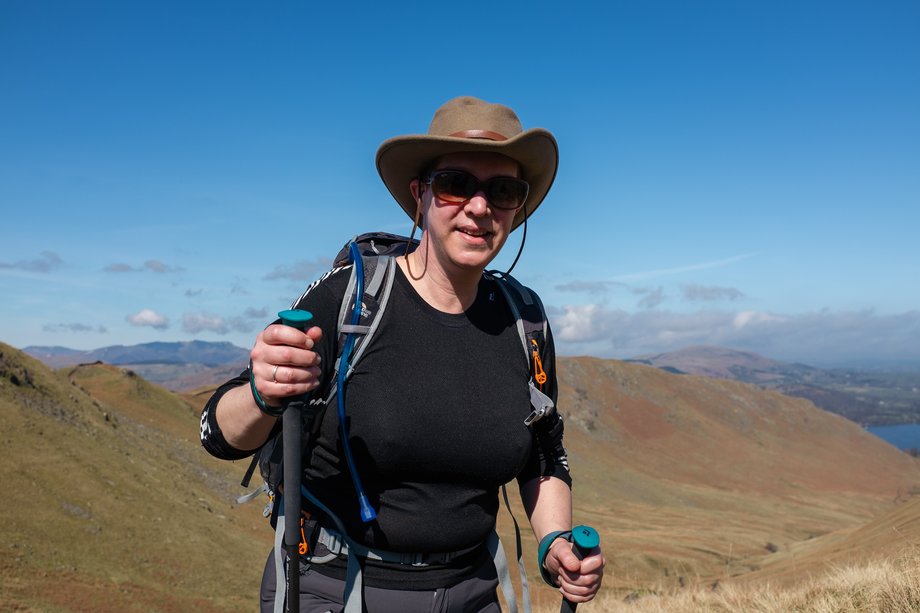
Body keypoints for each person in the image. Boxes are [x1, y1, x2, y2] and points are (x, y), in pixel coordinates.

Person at [200, 96, 605, 612]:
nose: (480, 207)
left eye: (503, 190)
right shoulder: (350, 299)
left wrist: (555, 543)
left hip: (472, 592)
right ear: (420, 194)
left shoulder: (524, 319)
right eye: (456, 184)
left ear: (517, 207)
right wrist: (263, 394)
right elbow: (216, 435)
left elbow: (542, 453)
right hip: (335, 589)